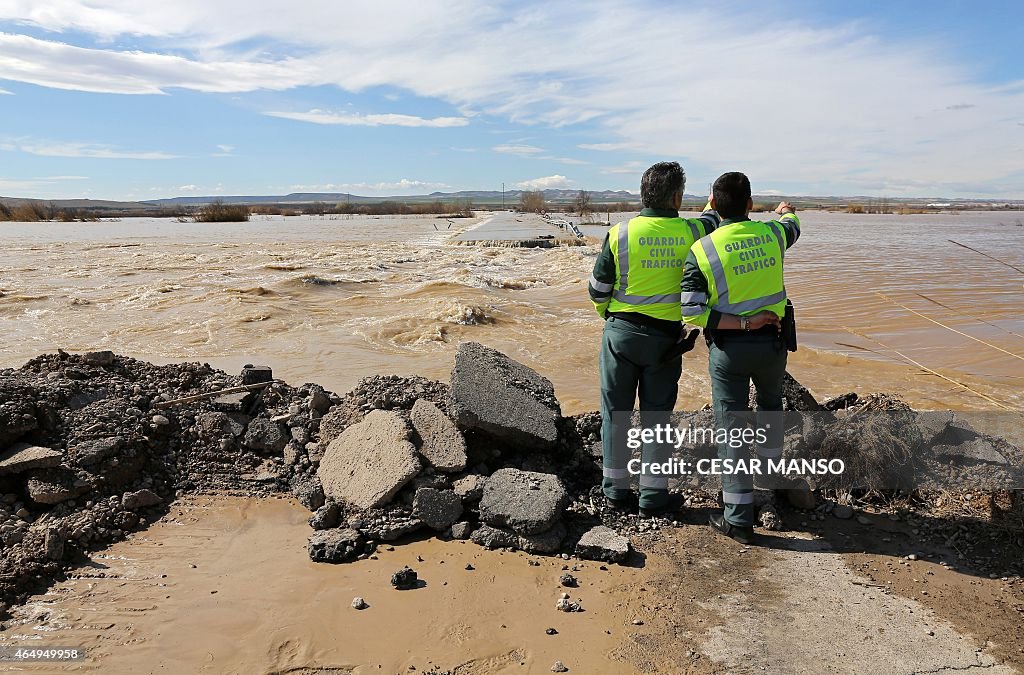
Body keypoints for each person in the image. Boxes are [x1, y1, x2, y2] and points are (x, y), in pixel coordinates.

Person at [588, 161, 721, 517]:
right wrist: (710, 203)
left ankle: (615, 493)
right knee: (657, 420)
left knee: (615, 415)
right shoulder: (692, 230)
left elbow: (598, 288)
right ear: (677, 197)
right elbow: (712, 219)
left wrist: (610, 319)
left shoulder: (621, 233)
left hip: (621, 336)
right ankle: (651, 497)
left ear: (643, 194)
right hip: (664, 342)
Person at [680, 171, 801, 544]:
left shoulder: (703, 249)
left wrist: (743, 324)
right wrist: (784, 211)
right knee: (770, 408)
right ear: (751, 205)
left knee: (731, 429)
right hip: (773, 347)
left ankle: (738, 518)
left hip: (730, 351)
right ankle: (769, 483)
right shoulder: (772, 235)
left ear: (714, 206)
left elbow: (691, 310)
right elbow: (792, 224)